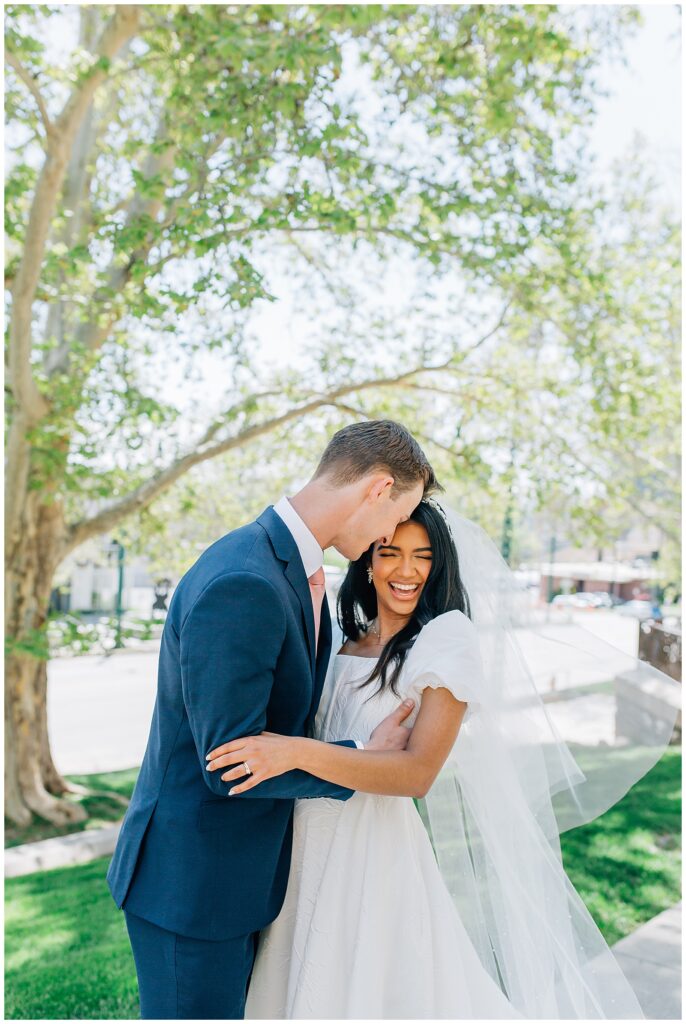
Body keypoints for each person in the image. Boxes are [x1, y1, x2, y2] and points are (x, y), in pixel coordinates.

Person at [207, 499, 677, 1019]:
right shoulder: (341, 638)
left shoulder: (443, 643)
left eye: (422, 557)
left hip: (372, 848)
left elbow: (416, 773)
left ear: (439, 566)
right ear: (368, 559)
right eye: (390, 552)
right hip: (300, 843)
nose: (406, 571)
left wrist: (294, 751)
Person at [106, 419, 438, 1020]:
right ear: (377, 488)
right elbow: (231, 764)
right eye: (395, 517)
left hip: (237, 880)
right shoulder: (246, 580)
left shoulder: (290, 569)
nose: (390, 534)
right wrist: (361, 760)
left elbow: (281, 720)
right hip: (194, 887)